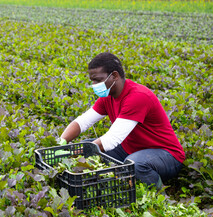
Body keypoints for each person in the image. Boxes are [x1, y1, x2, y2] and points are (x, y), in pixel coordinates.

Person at [59, 52, 185, 190]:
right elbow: (83, 122)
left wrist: (73, 153)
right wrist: (62, 141)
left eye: (98, 80)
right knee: (85, 146)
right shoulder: (108, 96)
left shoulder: (137, 97)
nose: (94, 85)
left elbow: (112, 139)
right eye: (92, 81)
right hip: (130, 149)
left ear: (114, 76)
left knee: (135, 164)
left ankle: (159, 195)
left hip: (166, 155)